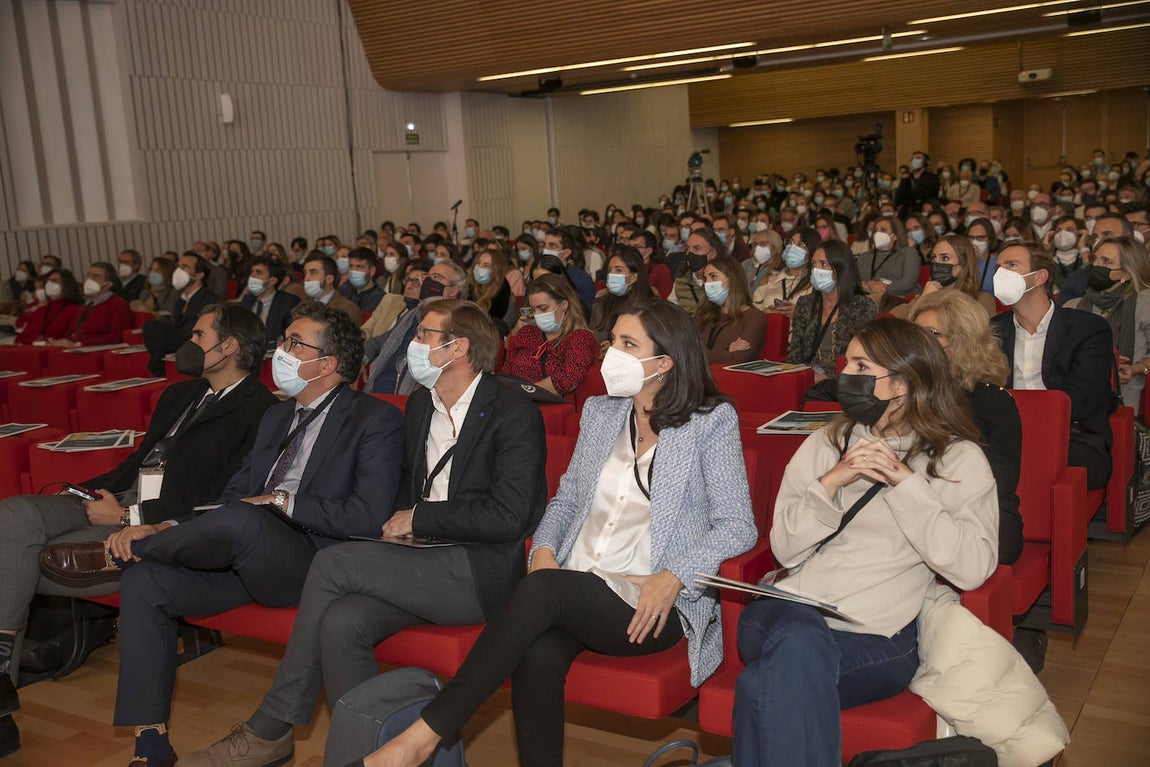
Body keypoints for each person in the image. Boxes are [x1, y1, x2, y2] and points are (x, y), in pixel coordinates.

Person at [361, 299, 757, 767]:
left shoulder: (709, 422)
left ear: (664, 362)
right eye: (613, 340)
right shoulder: (601, 414)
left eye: (628, 344)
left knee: (544, 591)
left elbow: (738, 524)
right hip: (576, 581)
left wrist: (674, 576)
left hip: (649, 600)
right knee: (537, 652)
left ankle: (422, 738)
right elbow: (567, 500)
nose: (612, 352)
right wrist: (544, 550)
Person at [179, 300, 548, 767]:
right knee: (342, 622)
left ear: (460, 348)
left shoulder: (511, 410)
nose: (413, 345)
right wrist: (393, 523)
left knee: (332, 563)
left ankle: (272, 726)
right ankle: (374, 753)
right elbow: (401, 487)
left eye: (425, 336)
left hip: (478, 569)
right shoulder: (420, 405)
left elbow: (509, 517)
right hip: (417, 560)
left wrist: (419, 518)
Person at [39, 303, 406, 767]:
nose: (281, 351)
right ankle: (150, 743)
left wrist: (280, 502)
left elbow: (368, 516)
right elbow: (232, 496)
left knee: (244, 518)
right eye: (284, 340)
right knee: (146, 583)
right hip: (246, 554)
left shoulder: (374, 419)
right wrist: (169, 525)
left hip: (313, 564)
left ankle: (124, 552)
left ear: (327, 364)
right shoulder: (275, 417)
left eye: (294, 343)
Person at [0, 304, 275, 757]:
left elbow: (224, 498)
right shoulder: (179, 397)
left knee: (20, 556)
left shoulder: (262, 412)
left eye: (199, 336)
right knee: (13, 517)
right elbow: (135, 465)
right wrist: (81, 494)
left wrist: (130, 518)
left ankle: (0, 716)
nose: (188, 343)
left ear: (229, 348)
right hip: (116, 501)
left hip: (163, 521)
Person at [733, 317, 999, 766]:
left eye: (862, 365)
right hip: (784, 610)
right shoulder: (826, 442)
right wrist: (833, 480)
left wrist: (907, 483)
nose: (846, 374)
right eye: (848, 361)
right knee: (799, 636)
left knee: (759, 685)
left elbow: (972, 567)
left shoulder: (958, 459)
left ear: (903, 384)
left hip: (877, 633)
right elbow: (784, 547)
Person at [909, 290, 1024, 565]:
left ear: (961, 343)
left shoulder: (992, 400)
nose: (917, 345)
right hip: (918, 508)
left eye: (931, 334)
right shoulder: (904, 394)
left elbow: (995, 481)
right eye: (914, 335)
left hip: (980, 517)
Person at [991, 241, 1116, 490]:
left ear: (1039, 277)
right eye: (997, 267)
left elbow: (1083, 398)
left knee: (1018, 461)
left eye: (1011, 265)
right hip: (1006, 435)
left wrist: (1030, 424)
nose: (1000, 274)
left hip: (1072, 436)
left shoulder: (1087, 329)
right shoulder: (991, 330)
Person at [1064, 236, 1150, 408]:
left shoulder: (1144, 302)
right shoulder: (1072, 307)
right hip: (1076, 401)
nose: (1097, 266)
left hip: (1126, 401)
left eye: (1107, 262)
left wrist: (1136, 369)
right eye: (1095, 260)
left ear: (1126, 273)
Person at [363, 260, 466, 394]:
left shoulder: (457, 321)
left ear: (453, 290)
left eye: (436, 277)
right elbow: (379, 342)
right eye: (427, 277)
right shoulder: (412, 314)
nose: (428, 282)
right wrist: (360, 359)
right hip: (378, 388)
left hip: (411, 392)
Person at [786, 240, 876, 382]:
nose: (816, 270)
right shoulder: (805, 304)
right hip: (807, 376)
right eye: (813, 264)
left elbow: (861, 357)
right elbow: (795, 354)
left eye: (823, 264)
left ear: (840, 269)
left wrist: (828, 377)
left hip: (843, 379)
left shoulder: (862, 306)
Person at [501, 274, 598, 397]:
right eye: (533, 309)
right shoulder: (527, 333)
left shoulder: (580, 338)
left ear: (564, 305)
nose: (537, 315)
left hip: (549, 408)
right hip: (513, 401)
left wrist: (525, 392)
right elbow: (506, 371)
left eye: (543, 308)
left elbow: (569, 378)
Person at [894, 234, 996, 318]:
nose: (936, 263)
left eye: (945, 258)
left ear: (963, 264)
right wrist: (923, 300)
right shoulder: (926, 295)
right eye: (934, 258)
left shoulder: (981, 301)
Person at [694, 255, 767, 365]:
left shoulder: (754, 317)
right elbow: (687, 351)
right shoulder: (703, 313)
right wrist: (727, 350)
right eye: (705, 279)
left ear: (732, 279)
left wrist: (701, 354)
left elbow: (737, 359)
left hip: (733, 379)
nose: (707, 283)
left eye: (713, 277)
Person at [589, 245, 652, 345]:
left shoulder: (648, 307)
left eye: (618, 270)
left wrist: (614, 348)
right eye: (609, 270)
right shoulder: (599, 304)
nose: (612, 274)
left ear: (633, 277)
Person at [856, 217, 920, 310]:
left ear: (895, 235)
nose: (877, 233)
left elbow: (907, 284)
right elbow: (855, 282)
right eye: (875, 230)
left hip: (900, 301)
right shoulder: (864, 257)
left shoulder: (908, 253)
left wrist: (877, 288)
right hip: (869, 302)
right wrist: (869, 285)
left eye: (883, 230)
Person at [751, 227, 818, 316]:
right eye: (790, 242)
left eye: (800, 245)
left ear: (812, 252)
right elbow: (751, 309)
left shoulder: (816, 282)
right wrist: (764, 313)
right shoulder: (770, 275)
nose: (792, 248)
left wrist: (798, 313)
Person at [13, 268, 83, 344]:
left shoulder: (75, 310)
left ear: (66, 285)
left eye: (54, 281)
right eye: (47, 281)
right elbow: (22, 336)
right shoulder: (40, 310)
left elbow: (71, 338)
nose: (49, 284)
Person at [241, 256, 301, 344]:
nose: (252, 276)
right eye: (251, 272)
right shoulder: (247, 299)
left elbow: (290, 336)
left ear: (272, 281)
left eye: (258, 272)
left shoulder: (289, 302)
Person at [672, 227, 724, 315]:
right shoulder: (680, 282)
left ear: (712, 254)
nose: (690, 253)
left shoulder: (723, 283)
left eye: (697, 248)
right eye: (688, 248)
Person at [466, 245, 514, 334]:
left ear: (495, 270)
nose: (479, 267)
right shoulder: (470, 285)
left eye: (486, 265)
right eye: (478, 263)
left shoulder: (501, 291)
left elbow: (494, 321)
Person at [338, 248, 385, 314]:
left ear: (372, 271)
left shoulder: (380, 298)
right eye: (351, 266)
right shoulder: (343, 291)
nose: (353, 271)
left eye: (359, 267)